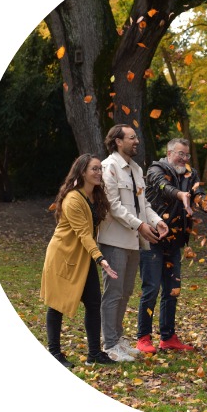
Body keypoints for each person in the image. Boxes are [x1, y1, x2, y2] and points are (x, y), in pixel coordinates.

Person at [98, 124, 169, 362]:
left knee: (126, 292)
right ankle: (109, 344)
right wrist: (140, 225)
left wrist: (157, 221)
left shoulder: (137, 170)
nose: (136, 141)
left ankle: (118, 340)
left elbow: (144, 204)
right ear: (118, 141)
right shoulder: (109, 167)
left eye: (136, 136)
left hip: (133, 241)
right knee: (114, 293)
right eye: (131, 137)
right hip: (114, 240)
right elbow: (113, 205)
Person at [40, 154, 118, 368]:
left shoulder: (95, 196)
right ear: (82, 172)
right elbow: (84, 234)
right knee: (56, 304)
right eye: (94, 169)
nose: (98, 172)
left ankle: (94, 353)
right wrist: (100, 258)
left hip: (84, 257)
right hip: (63, 256)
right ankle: (54, 354)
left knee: (94, 302)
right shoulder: (73, 199)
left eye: (99, 169)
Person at [135, 138, 205, 354]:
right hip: (153, 237)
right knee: (151, 288)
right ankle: (143, 337)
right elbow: (163, 187)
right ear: (169, 153)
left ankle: (168, 337)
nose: (184, 158)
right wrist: (180, 194)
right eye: (180, 154)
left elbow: (198, 194)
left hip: (175, 240)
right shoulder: (156, 169)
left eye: (187, 155)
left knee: (172, 290)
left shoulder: (190, 174)